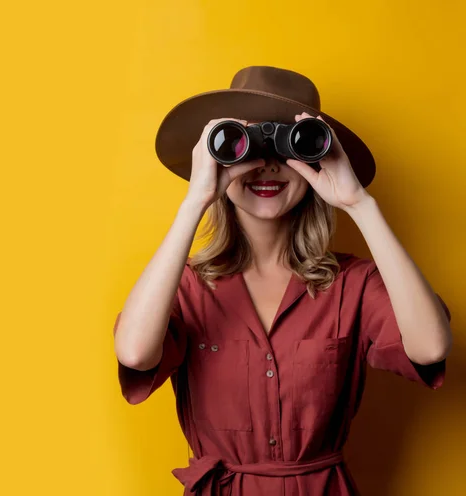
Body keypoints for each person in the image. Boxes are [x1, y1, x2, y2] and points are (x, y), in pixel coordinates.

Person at [112, 66, 452, 496]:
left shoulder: (353, 283)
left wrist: (358, 202)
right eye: (246, 145)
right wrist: (196, 199)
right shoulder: (187, 288)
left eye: (289, 146)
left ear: (314, 158)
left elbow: (431, 346)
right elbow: (136, 352)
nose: (267, 166)